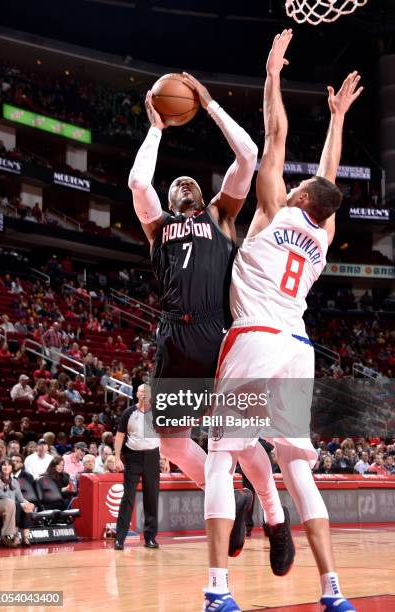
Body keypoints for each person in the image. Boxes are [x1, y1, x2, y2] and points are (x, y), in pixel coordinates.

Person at [203, 31, 363, 612]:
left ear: (295, 198)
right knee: (300, 471)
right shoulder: (321, 235)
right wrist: (338, 118)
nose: (287, 184)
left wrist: (271, 75)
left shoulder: (273, 213)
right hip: (299, 348)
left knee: (222, 454)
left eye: (294, 188)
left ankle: (218, 591)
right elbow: (329, 177)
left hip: (257, 340)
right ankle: (332, 592)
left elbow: (276, 136)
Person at [128, 72, 265, 556]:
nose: (184, 184)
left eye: (191, 182)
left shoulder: (221, 215)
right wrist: (157, 129)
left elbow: (249, 156)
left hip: (212, 331)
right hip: (171, 337)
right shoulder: (158, 228)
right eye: (178, 184)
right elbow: (138, 180)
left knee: (233, 436)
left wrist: (208, 105)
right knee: (170, 444)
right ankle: (233, 498)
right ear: (169, 201)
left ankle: (264, 504)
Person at [114, 384, 160, 550]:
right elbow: (119, 437)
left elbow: (164, 435)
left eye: (146, 392)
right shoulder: (129, 413)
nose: (143, 394)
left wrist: (166, 458)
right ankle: (120, 538)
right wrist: (116, 457)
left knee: (151, 498)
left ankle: (150, 538)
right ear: (137, 394)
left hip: (152, 457)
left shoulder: (157, 412)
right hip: (133, 457)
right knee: (128, 497)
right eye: (141, 391)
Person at [0, 458, 35, 546]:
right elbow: (1, 496)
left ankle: (25, 538)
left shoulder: (15, 481)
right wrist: (21, 504)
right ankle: (15, 536)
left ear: (11, 467)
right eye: (4, 465)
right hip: (2, 506)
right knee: (17, 505)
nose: (6, 467)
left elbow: (20, 498)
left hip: (15, 505)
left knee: (25, 507)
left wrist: (27, 503)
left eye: (9, 465)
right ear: (0, 467)